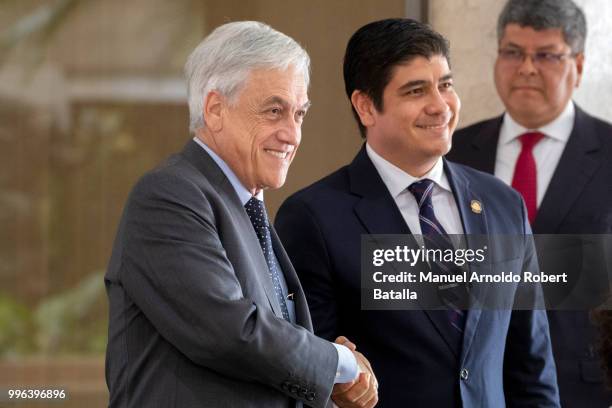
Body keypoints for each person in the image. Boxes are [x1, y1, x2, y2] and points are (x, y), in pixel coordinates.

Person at [276, 18, 559, 407]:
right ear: (365, 107)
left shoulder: (502, 205)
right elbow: (306, 374)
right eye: (416, 90)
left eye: (445, 84)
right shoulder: (313, 217)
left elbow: (532, 366)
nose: (440, 106)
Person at [104, 21, 378, 408]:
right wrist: (339, 364)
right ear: (215, 109)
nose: (292, 134)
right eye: (274, 110)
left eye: (299, 114)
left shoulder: (247, 206)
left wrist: (324, 370)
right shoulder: (169, 196)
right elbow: (229, 332)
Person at [447, 0, 612, 405]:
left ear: (578, 64)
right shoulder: (452, 154)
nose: (526, 68)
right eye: (513, 52)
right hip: (474, 384)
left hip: (586, 384)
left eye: (546, 55)